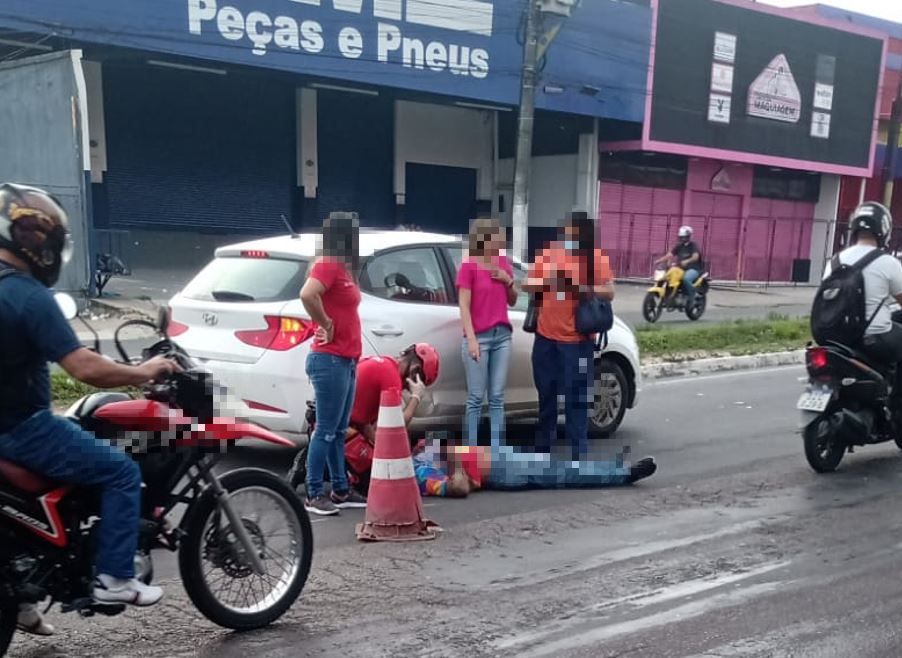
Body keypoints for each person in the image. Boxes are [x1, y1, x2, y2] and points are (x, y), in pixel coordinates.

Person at [0, 184, 179, 632]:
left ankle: (23, 597)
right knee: (120, 472)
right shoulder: (27, 297)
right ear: (37, 243)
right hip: (22, 426)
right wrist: (145, 372)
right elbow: (84, 368)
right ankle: (115, 577)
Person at [522, 212, 615, 459]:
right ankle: (543, 450)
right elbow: (526, 285)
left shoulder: (594, 257)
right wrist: (547, 282)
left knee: (577, 398)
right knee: (547, 395)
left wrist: (582, 288)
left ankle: (579, 453)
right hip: (545, 339)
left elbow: (609, 292)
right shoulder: (549, 253)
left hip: (578, 343)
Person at [298, 211, 368, 516]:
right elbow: (307, 294)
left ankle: (340, 488)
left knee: (339, 430)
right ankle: (315, 492)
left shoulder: (341, 268)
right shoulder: (328, 265)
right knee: (326, 430)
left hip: (346, 359)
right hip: (330, 359)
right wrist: (325, 322)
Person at [456, 218, 517, 447]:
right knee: (475, 397)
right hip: (479, 337)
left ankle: (497, 450)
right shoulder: (469, 266)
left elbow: (513, 300)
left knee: (497, 397)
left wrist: (508, 280)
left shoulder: (502, 262)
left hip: (502, 335)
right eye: (497, 236)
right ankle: (471, 451)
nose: (501, 240)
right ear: (485, 238)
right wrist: (471, 339)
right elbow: (463, 305)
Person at [413, 438, 657, 494]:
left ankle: (615, 470)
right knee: (568, 473)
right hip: (503, 470)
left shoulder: (418, 456)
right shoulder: (423, 475)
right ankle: (624, 473)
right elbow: (459, 488)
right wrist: (451, 455)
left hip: (499, 457)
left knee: (566, 467)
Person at [822, 202, 902, 363]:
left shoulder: (835, 261)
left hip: (835, 335)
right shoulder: (888, 262)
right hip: (873, 337)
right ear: (884, 230)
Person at [348, 344, 440, 445]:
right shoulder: (392, 378)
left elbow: (364, 422)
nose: (407, 389)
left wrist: (378, 445)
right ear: (416, 370)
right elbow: (395, 428)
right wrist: (416, 397)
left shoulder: (387, 362)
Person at [655, 226, 703, 306]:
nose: (683, 239)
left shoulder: (693, 245)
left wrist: (687, 261)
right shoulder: (679, 245)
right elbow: (670, 255)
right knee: (667, 276)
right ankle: (669, 296)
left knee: (685, 279)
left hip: (693, 269)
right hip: (681, 269)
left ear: (689, 236)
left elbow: (696, 257)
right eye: (682, 237)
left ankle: (692, 296)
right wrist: (659, 261)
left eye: (685, 237)